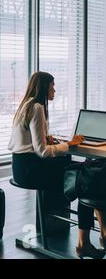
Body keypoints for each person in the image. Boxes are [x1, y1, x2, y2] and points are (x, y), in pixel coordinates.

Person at [8, 71, 106, 259]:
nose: (55, 90)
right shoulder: (37, 107)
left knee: (83, 170)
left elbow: (32, 142)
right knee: (86, 179)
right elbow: (42, 152)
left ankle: (94, 236)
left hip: (21, 168)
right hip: (32, 170)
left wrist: (48, 139)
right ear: (44, 87)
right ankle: (85, 242)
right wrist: (69, 144)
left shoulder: (25, 105)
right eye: (53, 86)